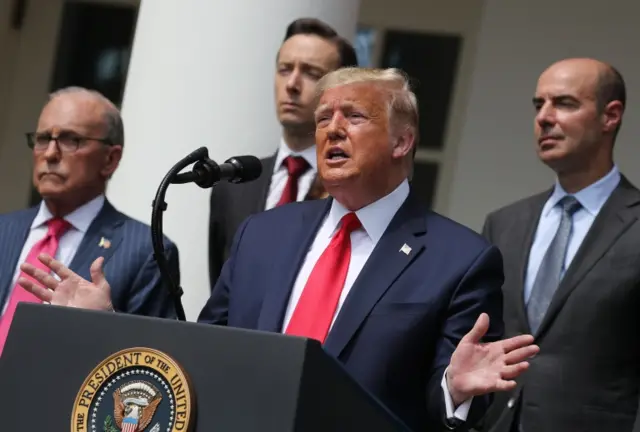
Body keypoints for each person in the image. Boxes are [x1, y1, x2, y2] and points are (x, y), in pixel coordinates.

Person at [17, 69, 538, 431]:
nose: (331, 128)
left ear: (402, 142)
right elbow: (206, 352)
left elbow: (436, 402)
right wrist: (110, 323)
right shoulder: (263, 234)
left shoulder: (460, 258)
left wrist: (454, 385)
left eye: (354, 116)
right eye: (323, 118)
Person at [481, 58, 640, 432]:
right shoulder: (503, 223)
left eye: (564, 103)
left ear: (610, 116)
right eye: (539, 105)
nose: (544, 118)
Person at [0, 87, 180, 355]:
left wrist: (102, 323)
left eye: (71, 140)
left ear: (110, 159)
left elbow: (147, 363)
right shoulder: (4, 230)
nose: (50, 154)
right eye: (43, 138)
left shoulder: (146, 252)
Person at [207, 18, 358, 288]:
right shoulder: (233, 185)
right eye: (284, 69)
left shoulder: (354, 189)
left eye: (311, 73)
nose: (292, 84)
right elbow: (222, 290)